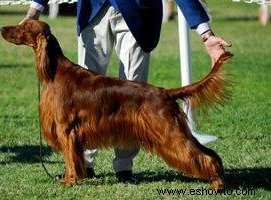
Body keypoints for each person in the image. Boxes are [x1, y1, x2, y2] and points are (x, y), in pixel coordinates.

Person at [21, 0, 231, 184]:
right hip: (93, 12)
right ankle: (81, 166)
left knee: (135, 98)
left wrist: (206, 34)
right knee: (82, 99)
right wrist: (35, 9)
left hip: (138, 12)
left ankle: (124, 167)